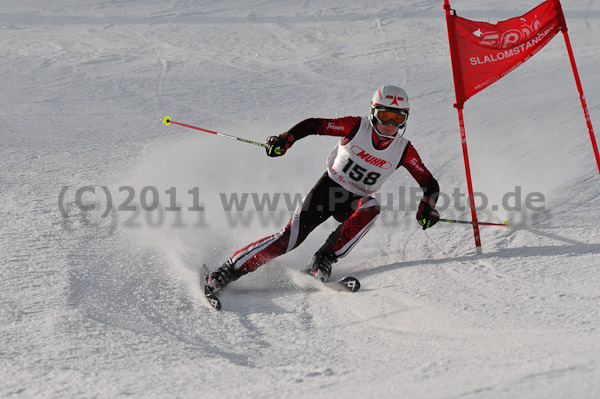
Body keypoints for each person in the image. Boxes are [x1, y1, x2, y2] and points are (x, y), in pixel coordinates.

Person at [206, 85, 440, 292]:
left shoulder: (403, 149)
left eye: (397, 119)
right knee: (289, 239)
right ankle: (227, 271)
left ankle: (323, 259)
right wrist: (285, 139)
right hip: (327, 191)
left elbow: (428, 183)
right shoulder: (356, 127)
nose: (389, 125)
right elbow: (314, 125)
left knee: (371, 208)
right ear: (373, 113)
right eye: (384, 116)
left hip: (355, 201)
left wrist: (427, 208)